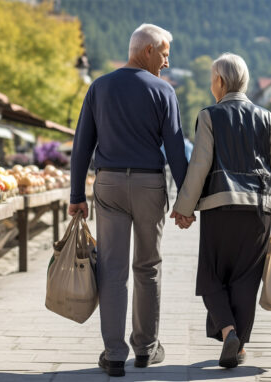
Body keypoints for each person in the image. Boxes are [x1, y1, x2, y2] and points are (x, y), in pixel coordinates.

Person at [68, 23, 188, 377]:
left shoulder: (99, 87)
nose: (166, 63)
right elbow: (177, 151)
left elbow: (82, 147)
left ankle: (115, 354)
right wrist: (185, 201)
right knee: (147, 266)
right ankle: (146, 348)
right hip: (150, 184)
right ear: (148, 50)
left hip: (109, 184)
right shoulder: (164, 91)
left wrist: (77, 195)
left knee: (112, 269)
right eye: (165, 54)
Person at [171, 53, 271, 369]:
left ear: (220, 82)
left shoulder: (210, 116)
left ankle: (228, 331)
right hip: (259, 210)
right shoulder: (268, 118)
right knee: (245, 279)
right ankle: (238, 346)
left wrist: (184, 208)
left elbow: (199, 166)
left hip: (219, 207)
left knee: (211, 274)